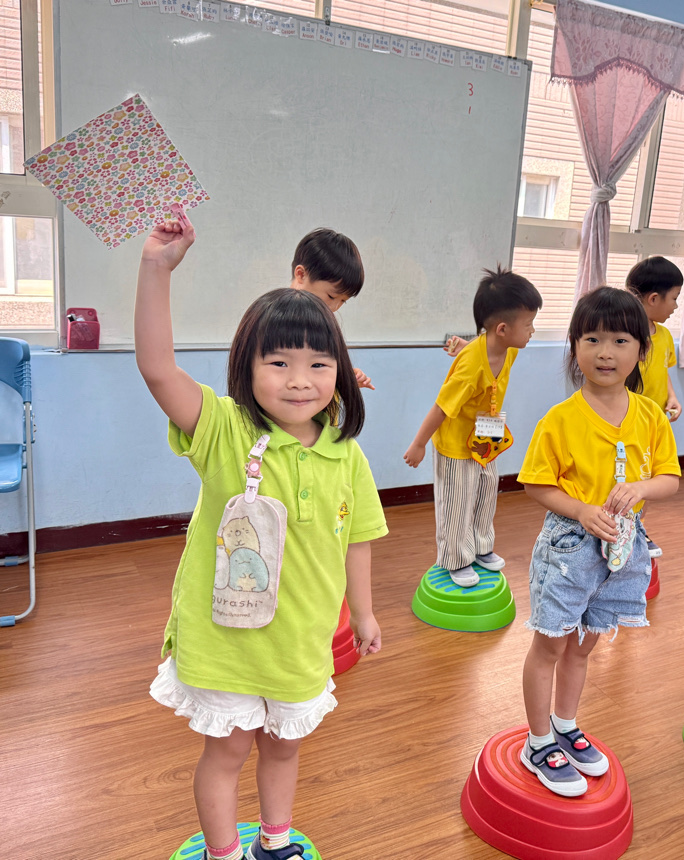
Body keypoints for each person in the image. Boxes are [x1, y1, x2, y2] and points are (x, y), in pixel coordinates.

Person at [136, 212, 387, 860]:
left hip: (299, 643)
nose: (300, 379)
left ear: (340, 369)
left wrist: (363, 613)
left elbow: (358, 538)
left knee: (284, 748)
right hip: (227, 644)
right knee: (226, 753)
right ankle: (224, 854)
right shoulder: (224, 432)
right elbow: (158, 369)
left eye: (318, 364)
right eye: (278, 363)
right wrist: (156, 268)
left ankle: (274, 844)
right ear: (245, 369)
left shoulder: (346, 454)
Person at [517, 287, 681, 796]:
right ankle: (537, 741)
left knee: (585, 644)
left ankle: (565, 725)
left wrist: (642, 489)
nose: (605, 352)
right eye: (592, 339)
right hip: (570, 547)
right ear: (574, 347)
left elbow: (670, 479)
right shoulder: (560, 419)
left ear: (642, 351)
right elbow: (536, 484)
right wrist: (581, 510)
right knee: (550, 643)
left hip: (623, 548)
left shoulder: (650, 416)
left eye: (620, 340)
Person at [403, 267, 542, 587]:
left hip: (486, 436)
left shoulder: (506, 348)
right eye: (528, 324)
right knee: (458, 501)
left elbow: (483, 345)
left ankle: (480, 546)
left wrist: (464, 344)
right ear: (503, 329)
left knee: (486, 492)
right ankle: (455, 558)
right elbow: (441, 407)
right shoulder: (469, 369)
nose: (532, 330)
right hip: (456, 444)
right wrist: (419, 444)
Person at [625, 256, 683, 559]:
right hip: (627, 423)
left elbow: (663, 371)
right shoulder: (625, 336)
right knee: (626, 477)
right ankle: (620, 528)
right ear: (653, 298)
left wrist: (672, 397)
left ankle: (636, 528)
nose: (675, 306)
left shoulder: (665, 336)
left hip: (654, 424)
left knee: (646, 478)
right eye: (674, 298)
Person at [289, 227, 375, 390]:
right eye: (331, 296)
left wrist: (345, 379)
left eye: (343, 301)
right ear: (301, 275)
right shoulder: (272, 319)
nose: (334, 307)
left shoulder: (324, 323)